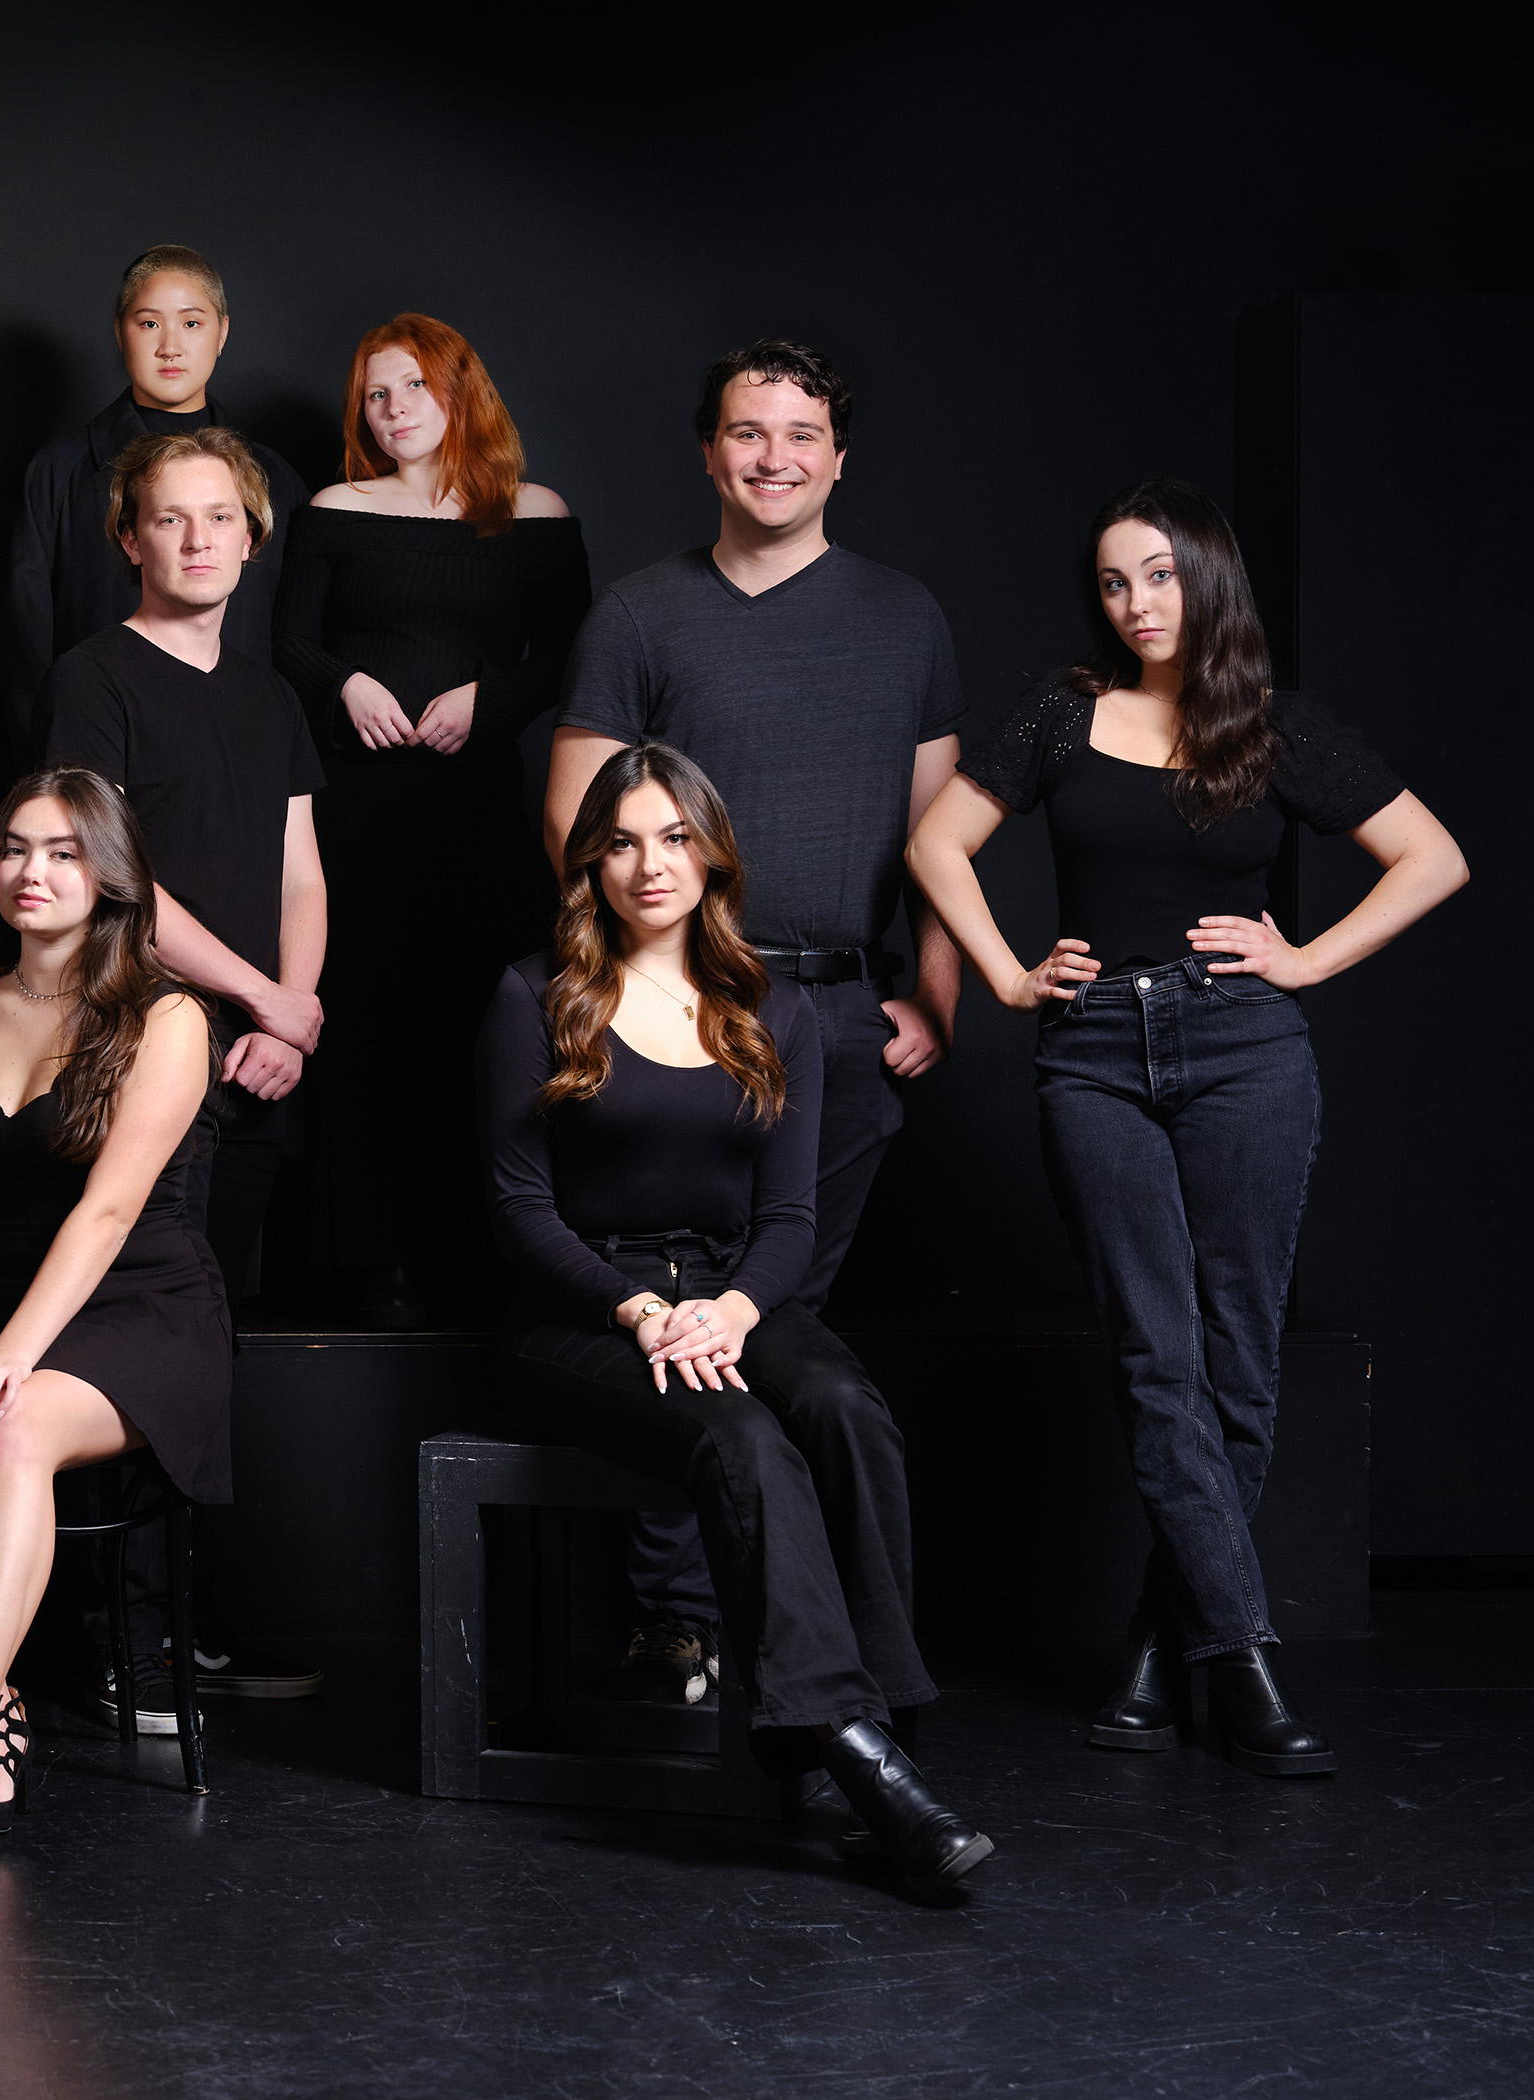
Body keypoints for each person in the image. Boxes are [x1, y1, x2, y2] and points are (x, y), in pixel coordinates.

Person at [906, 481, 1464, 1777]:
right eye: (1113, 582)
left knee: (1236, 1367)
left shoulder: (1270, 730)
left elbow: (1433, 857)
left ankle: (1168, 1641)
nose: (1136, 604)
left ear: (1206, 582)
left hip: (1243, 1053)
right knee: (1157, 1361)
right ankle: (1245, 1661)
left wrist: (1310, 961)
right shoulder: (1061, 712)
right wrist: (1001, 974)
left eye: (1158, 576)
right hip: (1094, 1058)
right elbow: (939, 844)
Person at [485, 742, 987, 1902]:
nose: (648, 864)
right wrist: (641, 1309)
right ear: (591, 864)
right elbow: (516, 1208)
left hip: (729, 1287)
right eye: (620, 841)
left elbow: (793, 1215)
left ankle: (890, 1735)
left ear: (712, 852)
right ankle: (854, 1756)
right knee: (745, 1440)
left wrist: (732, 1310)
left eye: (672, 837)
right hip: (584, 1304)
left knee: (847, 1407)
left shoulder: (779, 1006)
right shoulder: (534, 996)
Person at [547, 339, 964, 1704]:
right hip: (677, 1001)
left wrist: (936, 998)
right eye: (746, 431)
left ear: (840, 457)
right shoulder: (641, 616)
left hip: (840, 1008)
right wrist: (643, 981)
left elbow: (939, 835)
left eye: (801, 433)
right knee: (673, 1301)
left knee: (786, 1313)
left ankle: (799, 1630)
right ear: (707, 451)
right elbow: (574, 816)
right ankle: (682, 1616)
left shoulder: (907, 617)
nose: (773, 455)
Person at [0, 765, 230, 1874]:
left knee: (6, 1424)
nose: (34, 872)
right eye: (17, 848)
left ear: (111, 876)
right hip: (4, 1286)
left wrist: (8, 1361)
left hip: (141, 1299)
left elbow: (110, 1211)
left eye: (66, 852)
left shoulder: (168, 1015)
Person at [44, 426, 325, 1715]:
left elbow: (299, 870)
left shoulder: (270, 696)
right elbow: (113, 884)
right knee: (135, 1346)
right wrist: (257, 994)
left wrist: (294, 1013)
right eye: (172, 518)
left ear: (252, 539)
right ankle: (124, 1645)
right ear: (129, 538)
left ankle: (184, 1629)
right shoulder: (94, 678)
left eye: (221, 518)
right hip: (140, 1054)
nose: (199, 538)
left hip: (259, 1066)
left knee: (212, 1347)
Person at [276, 313, 590, 1329]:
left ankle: (479, 1253)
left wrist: (486, 702)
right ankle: (363, 1264)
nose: (395, 408)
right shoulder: (335, 505)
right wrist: (348, 685)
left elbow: (570, 658)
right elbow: (289, 642)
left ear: (460, 394)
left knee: (479, 1019)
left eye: (415, 386)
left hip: (480, 809)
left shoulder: (534, 511)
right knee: (360, 1020)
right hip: (358, 807)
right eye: (377, 392)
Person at [0, 245, 302, 790]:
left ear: (222, 332)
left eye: (192, 322)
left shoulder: (274, 479)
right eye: (149, 322)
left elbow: (296, 642)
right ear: (120, 332)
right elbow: (21, 655)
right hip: (96, 773)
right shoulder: (59, 471)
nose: (170, 345)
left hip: (242, 770)